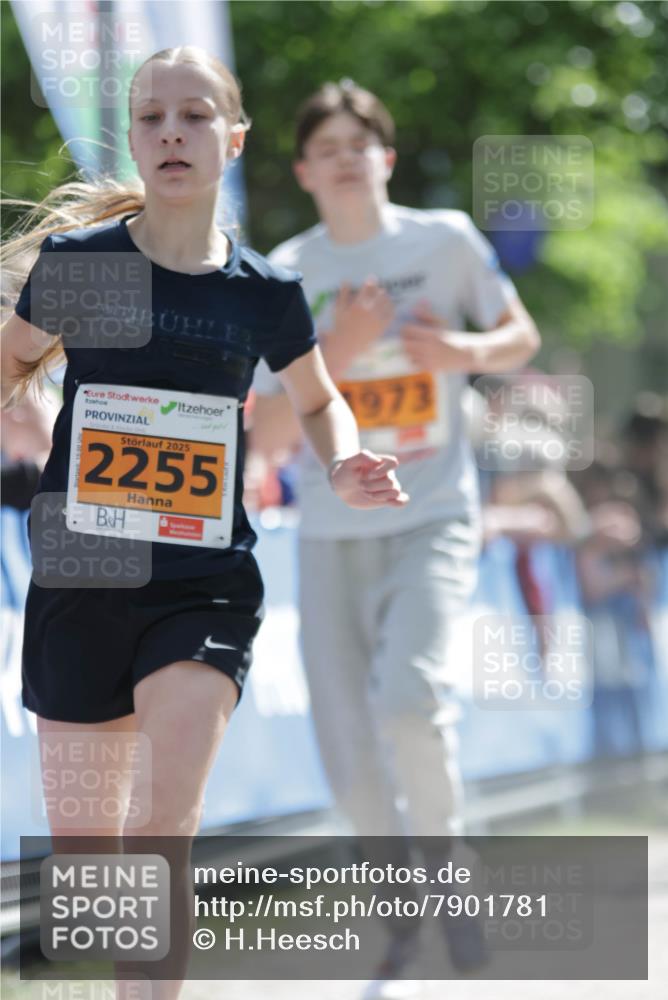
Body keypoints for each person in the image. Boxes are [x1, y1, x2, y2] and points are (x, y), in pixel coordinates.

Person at [0, 50, 407, 1000]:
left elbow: (315, 400)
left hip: (203, 581)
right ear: (136, 140)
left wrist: (343, 457)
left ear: (233, 139)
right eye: (151, 118)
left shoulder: (261, 292)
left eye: (194, 116)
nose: (171, 133)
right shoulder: (79, 268)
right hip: (83, 575)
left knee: (165, 819)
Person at [250, 80, 541, 996]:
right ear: (302, 170)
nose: (343, 155)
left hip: (433, 515)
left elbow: (519, 337)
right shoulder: (283, 271)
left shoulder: (443, 239)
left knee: (410, 702)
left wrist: (460, 355)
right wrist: (340, 347)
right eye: (325, 144)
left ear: (385, 158)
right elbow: (265, 432)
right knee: (348, 753)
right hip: (332, 535)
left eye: (359, 141)